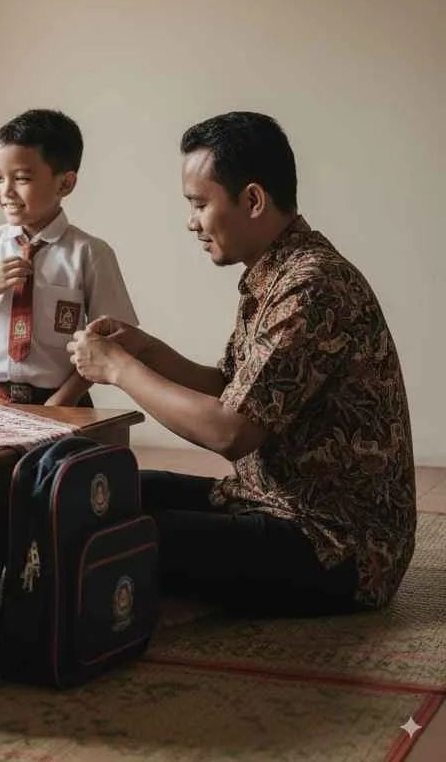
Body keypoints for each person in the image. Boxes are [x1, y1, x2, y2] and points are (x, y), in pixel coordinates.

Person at [68, 111, 416, 615]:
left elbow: (231, 431)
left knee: (116, 531)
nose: (191, 221)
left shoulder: (310, 286)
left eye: (199, 203)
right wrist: (146, 350)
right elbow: (231, 387)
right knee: (109, 493)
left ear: (253, 199)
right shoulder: (276, 272)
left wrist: (120, 370)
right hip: (264, 501)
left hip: (335, 543)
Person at [0, 109, 137, 406]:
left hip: (62, 402)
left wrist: (61, 402)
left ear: (65, 184)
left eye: (21, 178)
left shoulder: (90, 253)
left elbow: (116, 340)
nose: (5, 190)